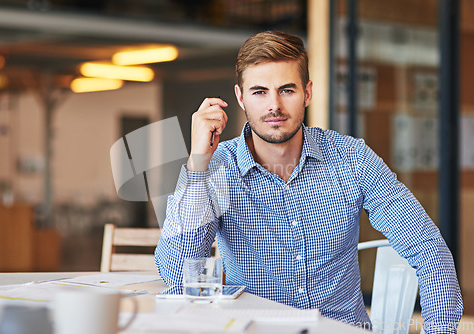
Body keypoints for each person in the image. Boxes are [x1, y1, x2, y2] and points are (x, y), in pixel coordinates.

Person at [154, 30, 463, 332]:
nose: (274, 105)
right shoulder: (217, 167)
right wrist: (197, 165)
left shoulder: (352, 158)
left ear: (308, 93)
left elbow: (428, 249)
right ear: (240, 97)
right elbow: (177, 276)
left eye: (287, 90)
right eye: (259, 92)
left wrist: (441, 330)